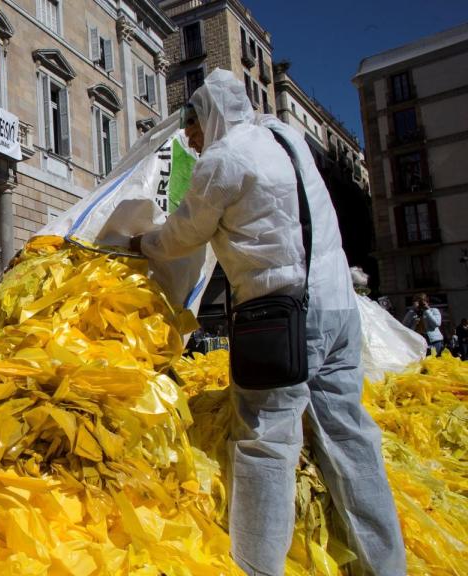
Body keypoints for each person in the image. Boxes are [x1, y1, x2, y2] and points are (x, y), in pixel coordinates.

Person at [127, 70, 405, 575]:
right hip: (340, 309)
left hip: (282, 316)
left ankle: (258, 568)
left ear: (208, 114)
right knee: (350, 439)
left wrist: (139, 244)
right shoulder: (288, 139)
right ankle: (386, 566)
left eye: (192, 126)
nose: (190, 137)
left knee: (266, 442)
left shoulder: (224, 160)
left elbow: (182, 236)